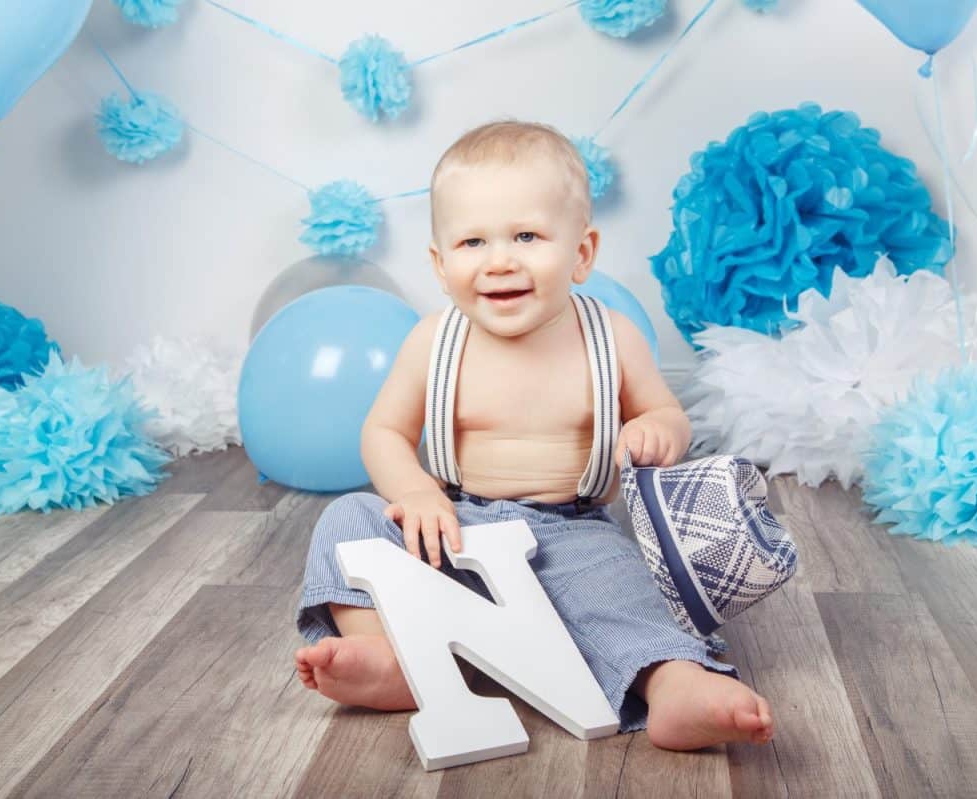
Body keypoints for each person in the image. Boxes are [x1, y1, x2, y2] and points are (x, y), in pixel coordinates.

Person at [293, 120, 773, 750]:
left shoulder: (610, 336)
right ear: (439, 264)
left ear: (581, 253)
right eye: (472, 241)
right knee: (349, 520)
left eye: (526, 235)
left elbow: (668, 413)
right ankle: (388, 652)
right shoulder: (434, 341)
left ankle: (675, 684)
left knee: (619, 593)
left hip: (567, 533)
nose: (500, 260)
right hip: (451, 523)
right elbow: (384, 430)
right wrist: (415, 492)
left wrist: (656, 428)